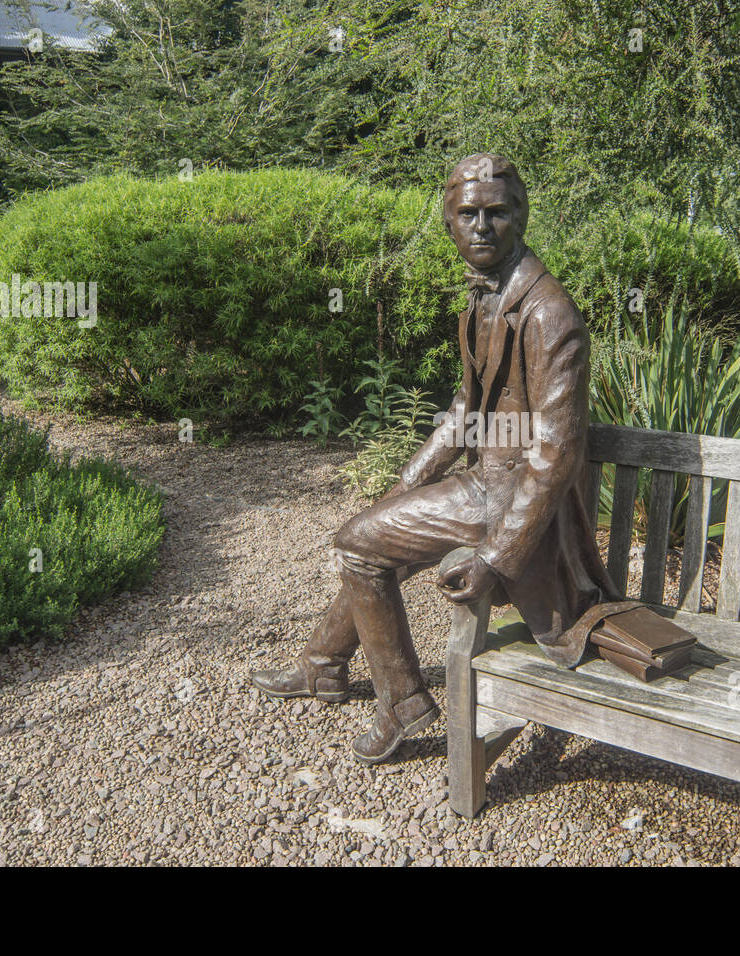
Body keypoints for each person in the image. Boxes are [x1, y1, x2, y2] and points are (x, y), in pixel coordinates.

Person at [251, 153, 616, 763]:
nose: (481, 226)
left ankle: (403, 702)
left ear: (520, 217)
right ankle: (322, 664)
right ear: (448, 220)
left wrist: (498, 557)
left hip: (512, 495)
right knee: (376, 538)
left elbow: (555, 454)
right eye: (467, 213)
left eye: (496, 213)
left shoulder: (549, 314)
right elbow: (466, 405)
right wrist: (413, 476)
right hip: (483, 482)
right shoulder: (482, 300)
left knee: (357, 544)